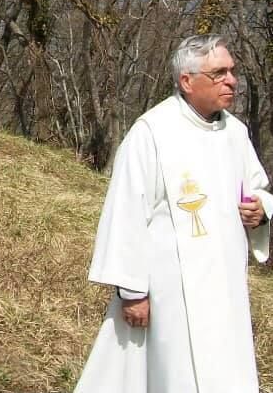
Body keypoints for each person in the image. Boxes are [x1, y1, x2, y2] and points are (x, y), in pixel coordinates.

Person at [74, 34, 272, 393]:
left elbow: (257, 189)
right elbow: (126, 212)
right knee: (172, 377)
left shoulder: (236, 133)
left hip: (226, 289)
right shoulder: (152, 132)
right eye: (219, 73)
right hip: (172, 292)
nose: (232, 80)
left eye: (232, 71)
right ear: (187, 81)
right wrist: (132, 292)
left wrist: (261, 210)